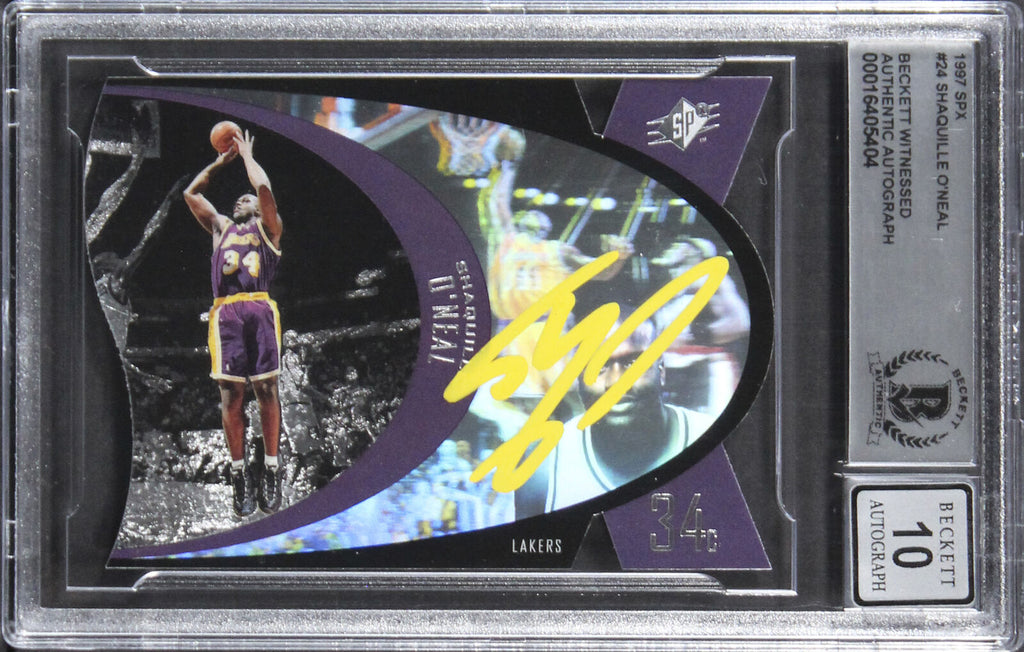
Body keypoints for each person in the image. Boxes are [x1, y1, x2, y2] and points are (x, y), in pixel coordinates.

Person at [183, 129, 284, 517]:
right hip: (225, 312)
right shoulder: (221, 227)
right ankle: (239, 473)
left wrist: (246, 157)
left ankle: (271, 469)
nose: (241, 198)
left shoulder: (269, 229)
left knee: (267, 389)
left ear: (258, 209)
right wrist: (218, 163)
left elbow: (264, 188)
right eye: (238, 197)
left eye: (247, 198)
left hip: (258, 308)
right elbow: (191, 194)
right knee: (231, 397)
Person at [544, 319, 714, 512]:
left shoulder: (710, 440)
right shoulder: (547, 464)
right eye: (597, 367)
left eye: (634, 363)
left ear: (661, 371)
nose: (616, 381)